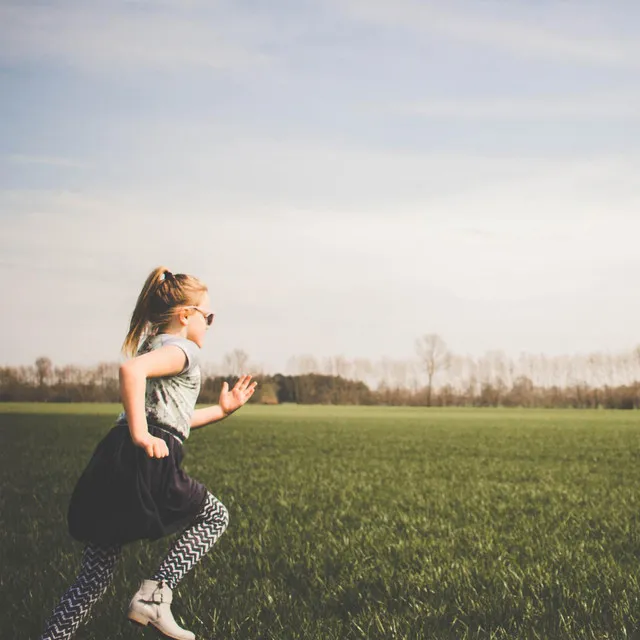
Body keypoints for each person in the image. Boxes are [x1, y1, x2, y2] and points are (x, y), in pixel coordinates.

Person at [40, 266, 257, 640]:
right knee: (215, 517)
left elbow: (172, 418)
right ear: (185, 315)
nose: (210, 324)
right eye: (209, 316)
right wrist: (142, 437)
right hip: (149, 458)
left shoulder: (154, 344)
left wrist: (221, 411)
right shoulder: (183, 350)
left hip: (115, 456)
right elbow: (131, 373)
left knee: (93, 575)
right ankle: (155, 595)